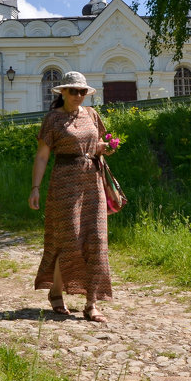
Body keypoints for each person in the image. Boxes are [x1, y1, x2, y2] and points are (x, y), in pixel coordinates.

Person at [28, 71, 118, 322]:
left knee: (96, 240)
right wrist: (35, 188)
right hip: (64, 185)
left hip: (93, 184)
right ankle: (56, 291)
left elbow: (98, 144)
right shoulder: (53, 120)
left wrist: (106, 148)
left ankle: (92, 303)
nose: (78, 95)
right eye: (74, 91)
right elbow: (43, 156)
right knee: (68, 240)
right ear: (63, 93)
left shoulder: (91, 115)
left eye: (82, 92)